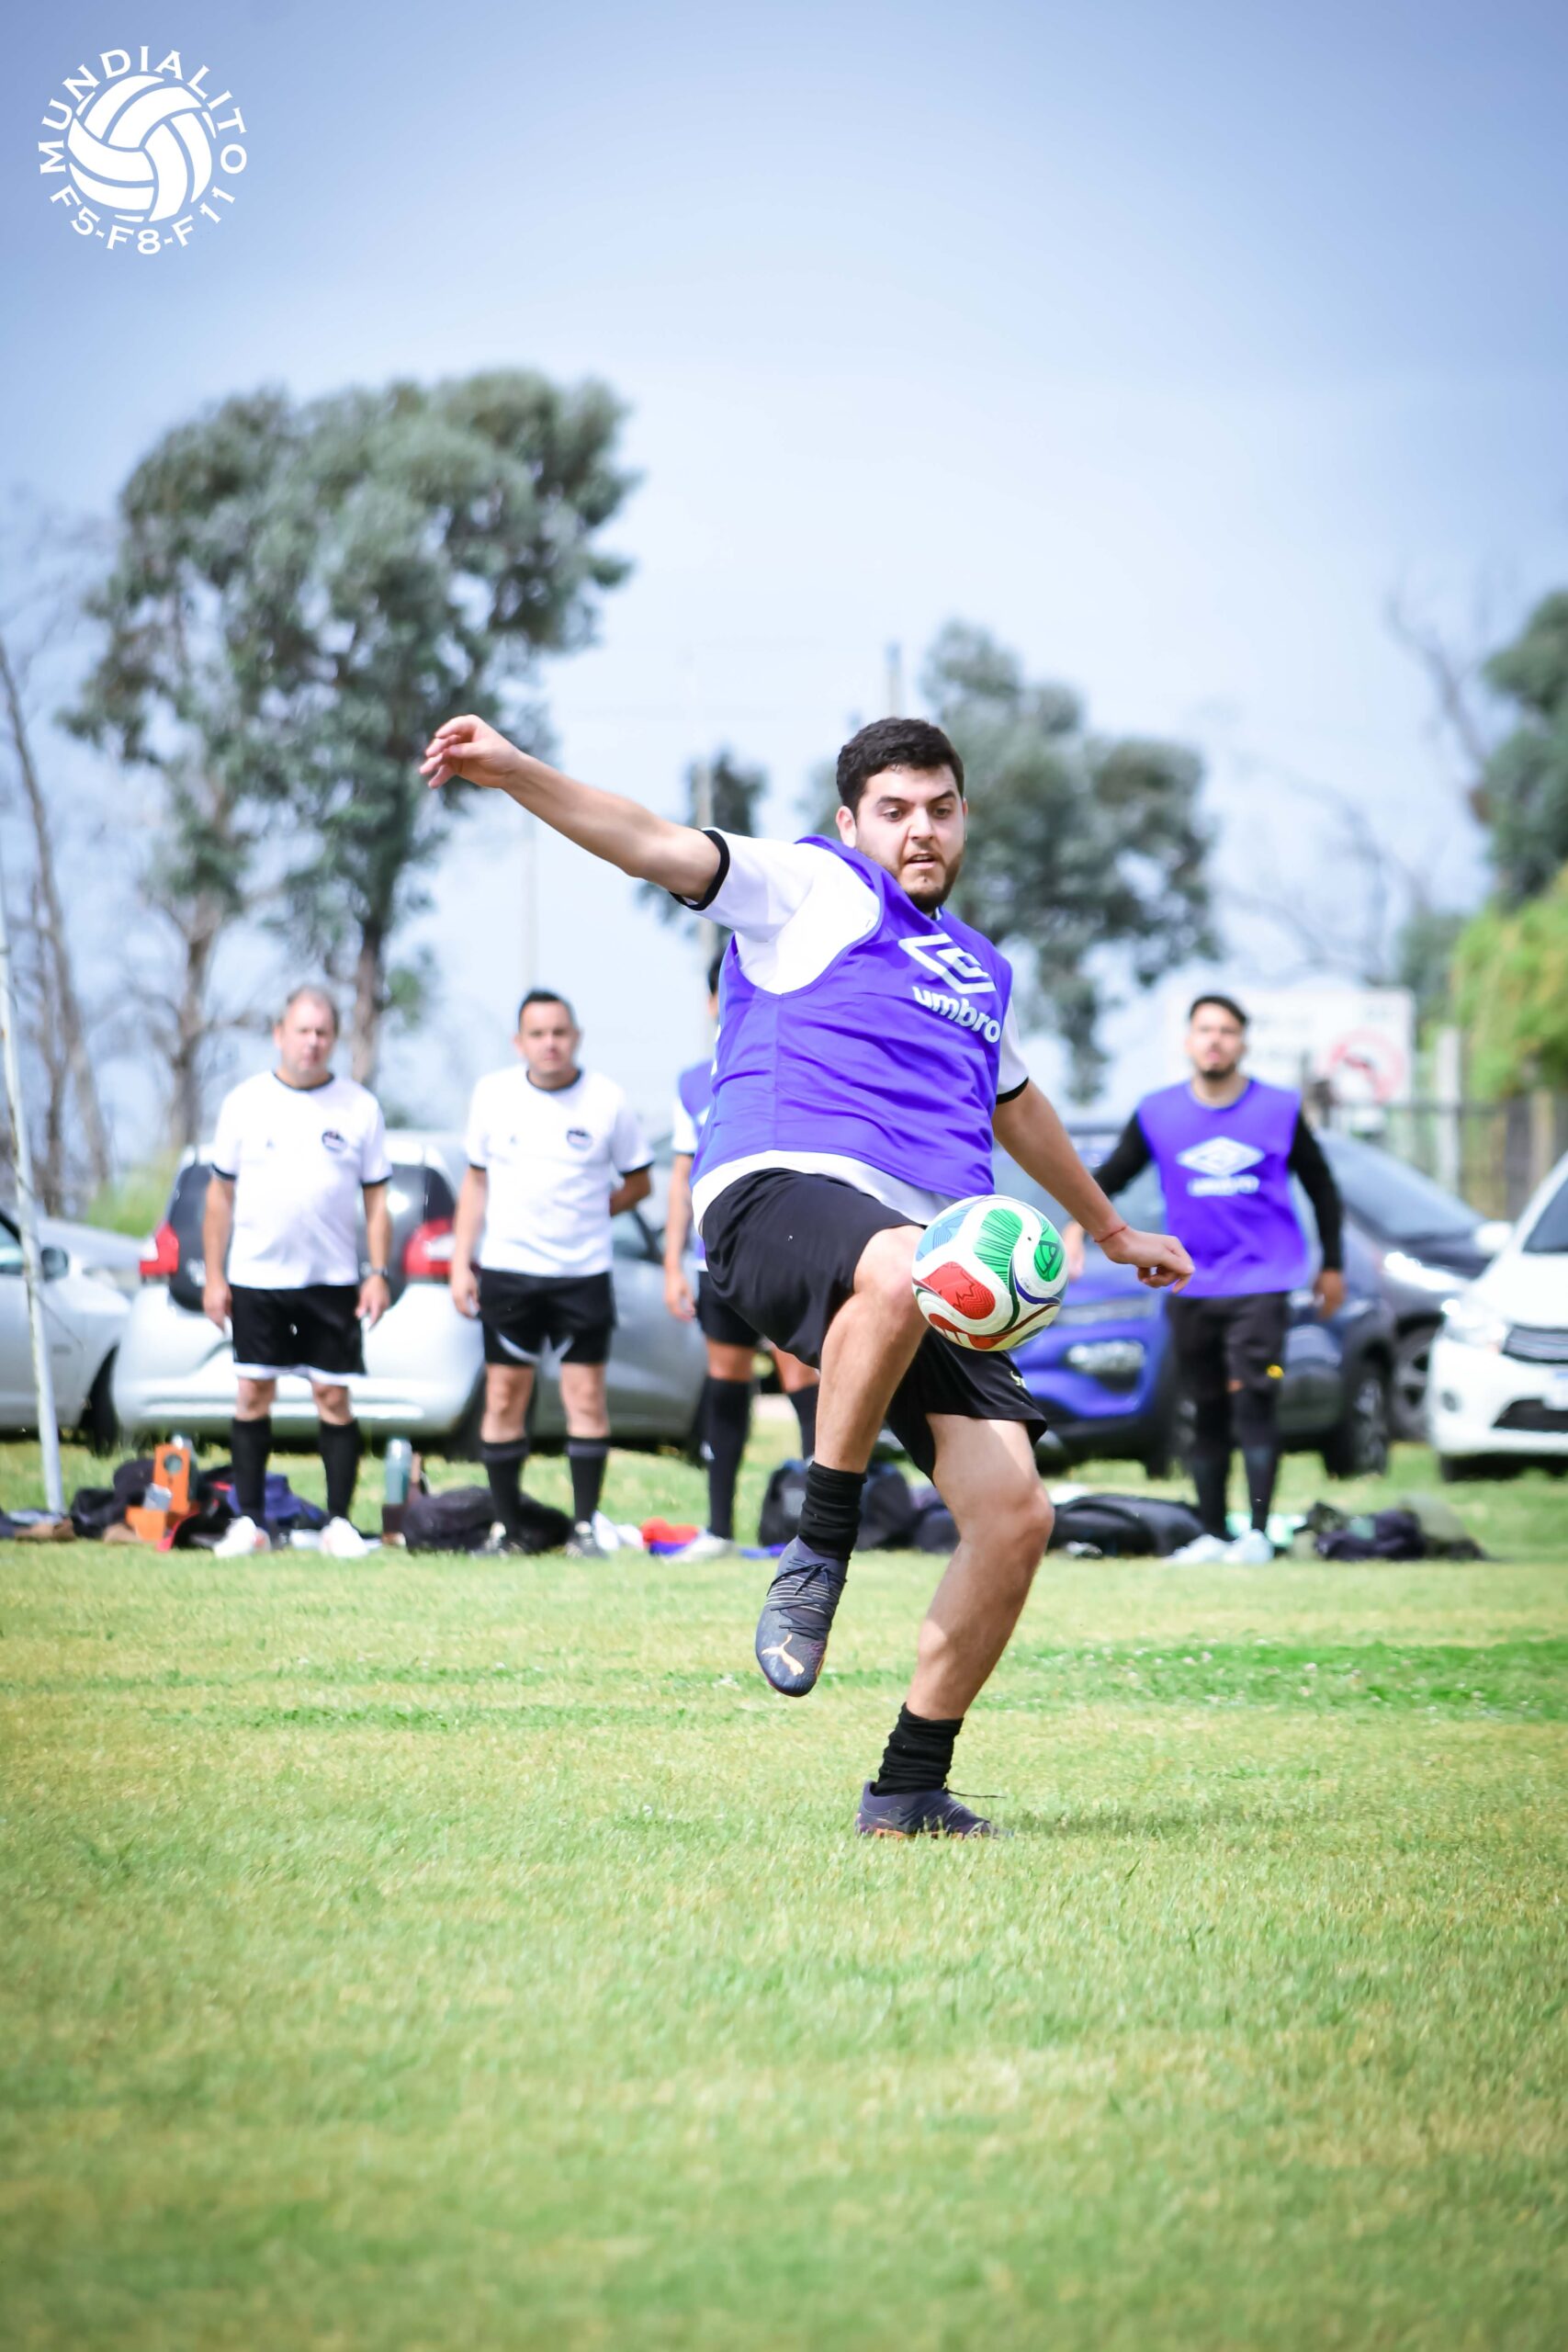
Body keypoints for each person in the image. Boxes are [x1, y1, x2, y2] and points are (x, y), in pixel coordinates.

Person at [422, 709, 1192, 1838]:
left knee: (1015, 1513)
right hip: (781, 1191)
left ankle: (908, 1786)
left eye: (940, 809)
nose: (920, 830)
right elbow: (647, 840)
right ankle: (821, 1543)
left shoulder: (979, 970)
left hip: (930, 1256)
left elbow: (1017, 1104)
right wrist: (513, 770)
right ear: (851, 821)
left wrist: (1111, 1229)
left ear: (965, 818)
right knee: (900, 1270)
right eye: (896, 810)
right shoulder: (812, 886)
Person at [1062, 992, 1345, 1564]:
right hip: (1190, 1280)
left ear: (1243, 1042)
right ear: (1189, 1042)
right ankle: (1214, 1534)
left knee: (1254, 1399)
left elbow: (1322, 1188)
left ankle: (1258, 1535)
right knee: (1207, 1407)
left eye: (1227, 1031)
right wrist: (1076, 1225)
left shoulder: (1279, 1109)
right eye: (1205, 1030)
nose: (1215, 1040)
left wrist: (1332, 1265)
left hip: (1262, 1280)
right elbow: (1112, 1175)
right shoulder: (1158, 1112)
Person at [451, 988, 653, 1558]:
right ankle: (506, 1530)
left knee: (585, 1397)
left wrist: (592, 1211)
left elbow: (639, 1182)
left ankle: (585, 1528)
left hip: (581, 1274)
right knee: (503, 1398)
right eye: (537, 1034)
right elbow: (475, 1183)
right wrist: (462, 1260)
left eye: (559, 1032)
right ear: (519, 1042)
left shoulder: (607, 1100)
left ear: (576, 1037)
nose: (550, 1044)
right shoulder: (492, 1095)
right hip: (509, 1272)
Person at [203, 986, 392, 1558]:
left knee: (332, 1396)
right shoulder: (245, 1102)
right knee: (252, 1393)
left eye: (322, 1032)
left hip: (330, 1280)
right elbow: (219, 1197)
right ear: (279, 1034)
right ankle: (250, 1522)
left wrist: (377, 1272)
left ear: (334, 1039)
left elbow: (377, 1201)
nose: (312, 1042)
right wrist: (215, 1276)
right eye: (302, 1030)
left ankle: (339, 1523)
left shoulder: (359, 1107)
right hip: (257, 1277)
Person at [663, 951, 820, 1558]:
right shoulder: (691, 1082)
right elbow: (682, 1177)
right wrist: (672, 1262)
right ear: (714, 1001)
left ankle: (819, 1528)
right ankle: (719, 1529)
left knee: (800, 1376)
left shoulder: (792, 1063)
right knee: (725, 1383)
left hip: (783, 1256)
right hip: (715, 1262)